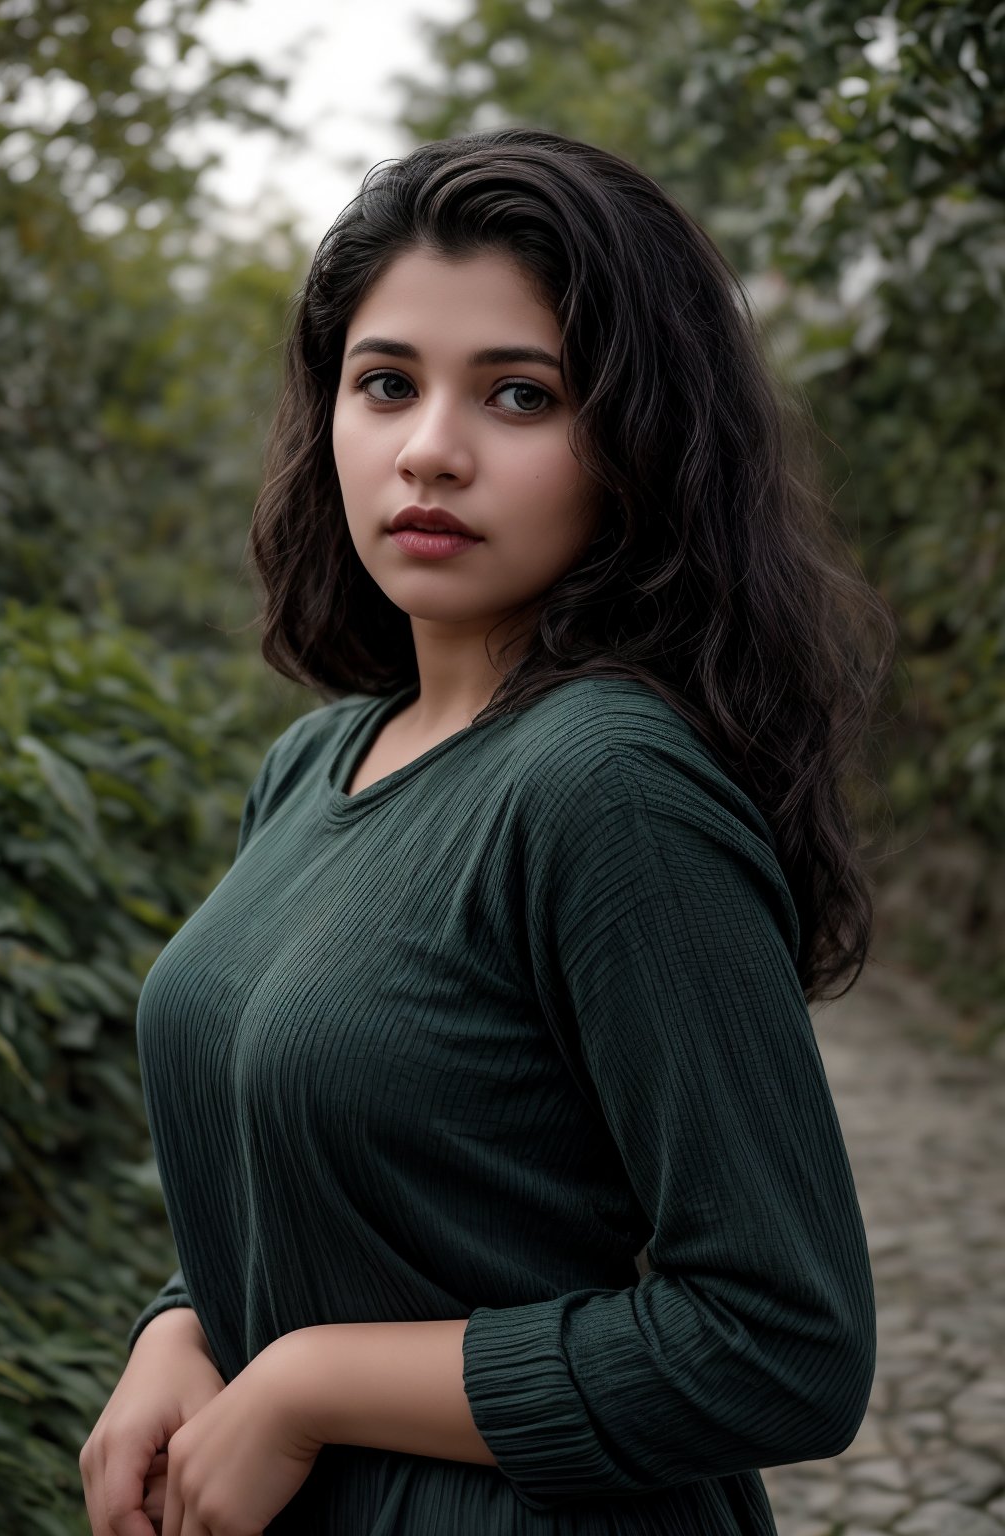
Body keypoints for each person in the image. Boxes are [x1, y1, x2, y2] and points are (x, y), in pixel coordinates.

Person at [79, 127, 897, 1536]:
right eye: (384, 384)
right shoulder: (318, 761)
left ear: (638, 444)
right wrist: (188, 1327)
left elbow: (784, 1342)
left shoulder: (609, 785)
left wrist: (307, 1385)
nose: (430, 452)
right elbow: (341, 1186)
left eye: (520, 396)